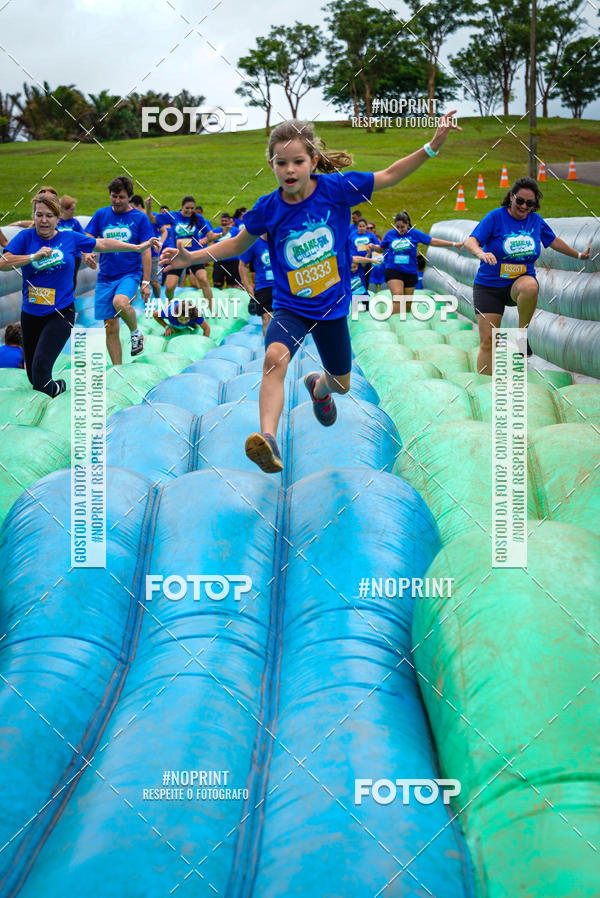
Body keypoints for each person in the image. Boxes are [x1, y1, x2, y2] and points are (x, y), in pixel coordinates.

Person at [161, 114, 460, 473]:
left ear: (313, 161)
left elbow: (390, 175)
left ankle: (319, 388)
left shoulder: (337, 190)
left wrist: (432, 146)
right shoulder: (267, 208)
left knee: (342, 384)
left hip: (331, 309)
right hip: (290, 307)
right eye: (281, 162)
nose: (290, 170)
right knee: (274, 357)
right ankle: (268, 440)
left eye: (298, 161)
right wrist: (191, 256)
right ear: (271, 164)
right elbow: (238, 243)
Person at [0, 193, 158, 396]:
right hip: (30, 314)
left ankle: (52, 401)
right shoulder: (25, 238)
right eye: (39, 215)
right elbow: (4, 263)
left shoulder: (69, 237)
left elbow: (103, 244)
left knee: (40, 367)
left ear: (57, 218)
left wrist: (135, 247)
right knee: (33, 376)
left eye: (49, 216)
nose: (44, 220)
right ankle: (57, 387)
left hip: (60, 312)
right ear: (34, 216)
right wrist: (33, 257)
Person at [464, 177, 591, 374]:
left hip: (518, 284)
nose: (523, 206)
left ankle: (521, 334)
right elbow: (470, 241)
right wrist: (481, 253)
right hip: (489, 287)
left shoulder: (536, 221)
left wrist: (579, 255)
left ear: (534, 205)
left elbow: (554, 241)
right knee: (489, 341)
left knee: (530, 286)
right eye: (520, 200)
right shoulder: (495, 217)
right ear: (511, 197)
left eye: (529, 203)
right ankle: (484, 388)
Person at [85, 176, 155, 364]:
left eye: (121, 197)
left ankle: (136, 333)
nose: (116, 201)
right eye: (114, 196)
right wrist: (87, 253)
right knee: (110, 327)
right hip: (106, 276)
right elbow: (87, 237)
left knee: (120, 302)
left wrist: (146, 282)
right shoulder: (101, 214)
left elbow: (146, 251)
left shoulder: (140, 218)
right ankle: (118, 369)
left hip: (130, 274)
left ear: (129, 198)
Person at [381, 211, 461, 314]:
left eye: (402, 227)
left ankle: (403, 323)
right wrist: (373, 247)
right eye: (397, 227)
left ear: (408, 224)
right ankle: (393, 322)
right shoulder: (390, 234)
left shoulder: (414, 234)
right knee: (398, 296)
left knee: (407, 303)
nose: (400, 230)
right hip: (393, 269)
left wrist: (454, 244)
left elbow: (432, 241)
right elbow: (381, 248)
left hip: (410, 272)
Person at [158, 195, 216, 310]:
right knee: (169, 287)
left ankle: (212, 310)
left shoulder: (197, 218)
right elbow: (153, 219)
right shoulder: (173, 216)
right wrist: (149, 206)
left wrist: (212, 237)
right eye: (187, 208)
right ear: (182, 207)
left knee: (203, 279)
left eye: (192, 208)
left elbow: (210, 235)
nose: (190, 211)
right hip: (177, 256)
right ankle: (170, 306)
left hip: (194, 255)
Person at [238, 233, 274, 335]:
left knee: (284, 321)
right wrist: (247, 285)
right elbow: (242, 265)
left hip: (281, 286)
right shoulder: (254, 242)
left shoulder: (280, 239)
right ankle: (267, 349)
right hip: (264, 287)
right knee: (267, 319)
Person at [57, 195, 91, 291]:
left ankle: (69, 297)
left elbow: (83, 238)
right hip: (59, 255)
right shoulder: (56, 222)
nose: (74, 211)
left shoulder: (74, 223)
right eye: (72, 209)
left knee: (71, 277)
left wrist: (86, 253)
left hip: (74, 255)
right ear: (64, 209)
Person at [211, 213, 241, 289]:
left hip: (233, 262)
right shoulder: (215, 231)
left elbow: (241, 243)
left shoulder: (235, 231)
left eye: (226, 221)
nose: (224, 222)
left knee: (232, 285)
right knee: (217, 284)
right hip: (219, 262)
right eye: (222, 221)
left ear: (230, 221)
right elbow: (209, 243)